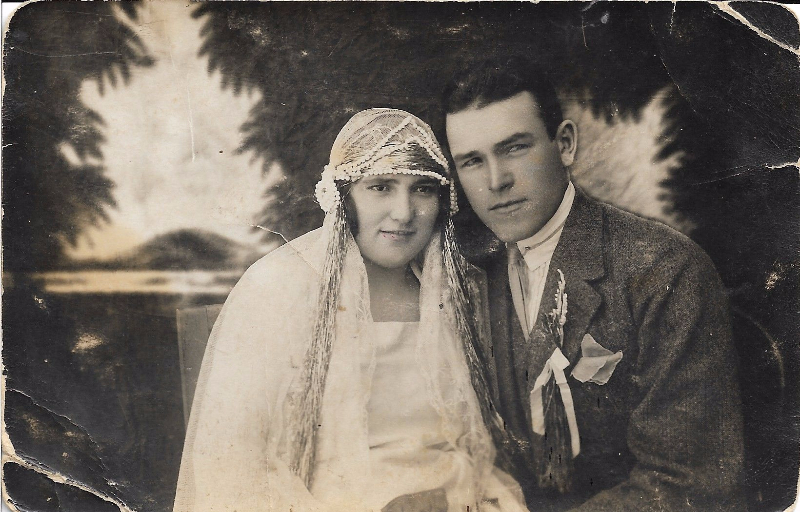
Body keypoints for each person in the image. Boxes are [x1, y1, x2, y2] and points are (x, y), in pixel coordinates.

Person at [173, 108, 528, 512]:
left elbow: (478, 451)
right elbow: (233, 466)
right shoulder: (278, 287)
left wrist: (451, 499)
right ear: (344, 197)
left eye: (422, 189)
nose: (404, 212)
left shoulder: (457, 291)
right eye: (381, 187)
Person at [442, 57, 745, 511]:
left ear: (564, 143)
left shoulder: (664, 270)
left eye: (514, 148)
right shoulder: (472, 273)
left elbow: (689, 486)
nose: (495, 181)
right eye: (472, 161)